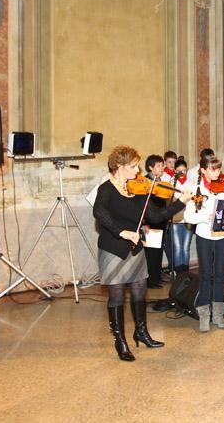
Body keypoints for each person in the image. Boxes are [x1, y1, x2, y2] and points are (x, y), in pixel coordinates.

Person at [93, 145, 192, 361]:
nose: (137, 171)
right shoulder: (106, 189)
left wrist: (180, 203)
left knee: (139, 290)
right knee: (117, 295)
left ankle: (141, 332)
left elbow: (156, 216)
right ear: (119, 167)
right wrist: (123, 232)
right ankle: (120, 340)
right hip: (113, 248)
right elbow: (99, 212)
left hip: (136, 247)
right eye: (133, 166)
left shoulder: (137, 190)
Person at [183, 157, 224, 333]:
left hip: (223, 235)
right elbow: (189, 217)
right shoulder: (195, 189)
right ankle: (204, 315)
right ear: (203, 171)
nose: (217, 173)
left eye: (219, 169)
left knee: (220, 274)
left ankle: (218, 315)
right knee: (205, 274)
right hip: (204, 235)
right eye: (213, 170)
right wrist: (207, 217)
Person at [143, 154, 169, 289]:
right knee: (152, 253)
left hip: (161, 222)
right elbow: (143, 205)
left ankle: (157, 277)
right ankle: (151, 281)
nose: (162, 167)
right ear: (151, 168)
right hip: (150, 223)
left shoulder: (160, 181)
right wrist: (144, 223)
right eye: (159, 165)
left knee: (158, 251)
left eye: (162, 165)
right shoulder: (145, 182)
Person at [168, 157, 193, 274]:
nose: (182, 173)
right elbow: (170, 201)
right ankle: (179, 272)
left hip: (188, 218)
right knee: (177, 246)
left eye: (184, 170)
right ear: (175, 171)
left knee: (186, 246)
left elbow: (192, 200)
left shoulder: (191, 183)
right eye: (179, 170)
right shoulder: (171, 182)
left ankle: (186, 272)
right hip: (176, 218)